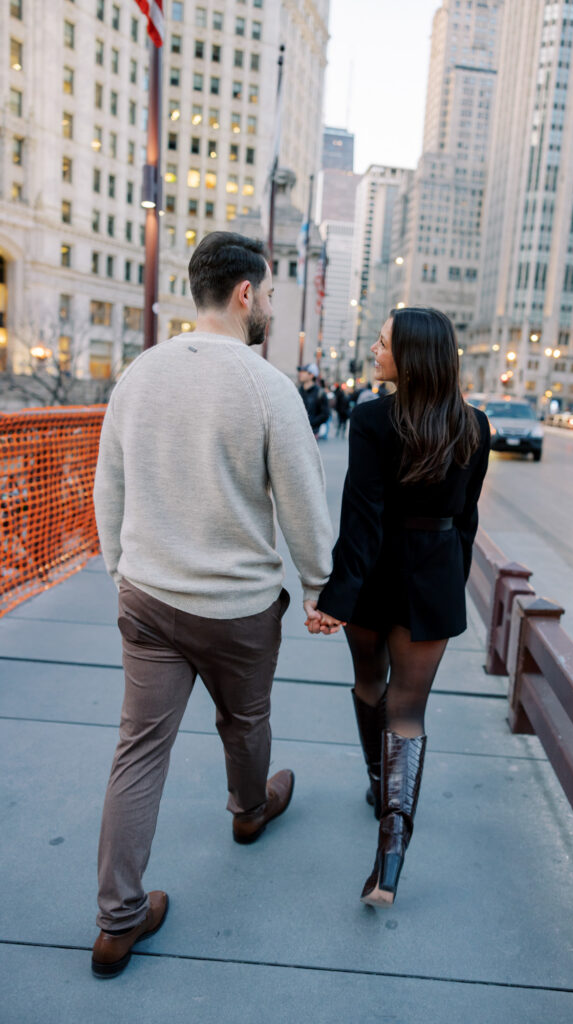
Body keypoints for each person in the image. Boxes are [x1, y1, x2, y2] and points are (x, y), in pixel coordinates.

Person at [91, 231, 336, 978]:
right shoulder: (266, 386)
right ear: (243, 294)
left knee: (139, 751)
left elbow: (110, 484)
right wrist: (319, 584)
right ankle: (249, 810)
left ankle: (116, 921)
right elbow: (301, 501)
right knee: (246, 719)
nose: (264, 305)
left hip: (149, 593)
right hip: (235, 605)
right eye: (263, 294)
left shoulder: (139, 373)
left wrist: (118, 570)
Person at [306, 307, 490, 908]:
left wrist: (337, 597)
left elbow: (361, 520)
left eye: (383, 343)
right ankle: (389, 857)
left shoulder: (370, 419)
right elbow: (466, 521)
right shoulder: (475, 427)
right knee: (408, 711)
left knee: (368, 682)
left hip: (376, 575)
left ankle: (377, 780)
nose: (374, 350)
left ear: (409, 357)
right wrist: (447, 589)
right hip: (431, 577)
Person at [297, 363, 330, 439]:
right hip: (297, 433)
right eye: (300, 371)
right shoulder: (298, 391)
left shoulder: (320, 393)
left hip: (312, 434)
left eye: (303, 371)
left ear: (311, 375)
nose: (300, 373)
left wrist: (310, 423)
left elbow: (325, 414)